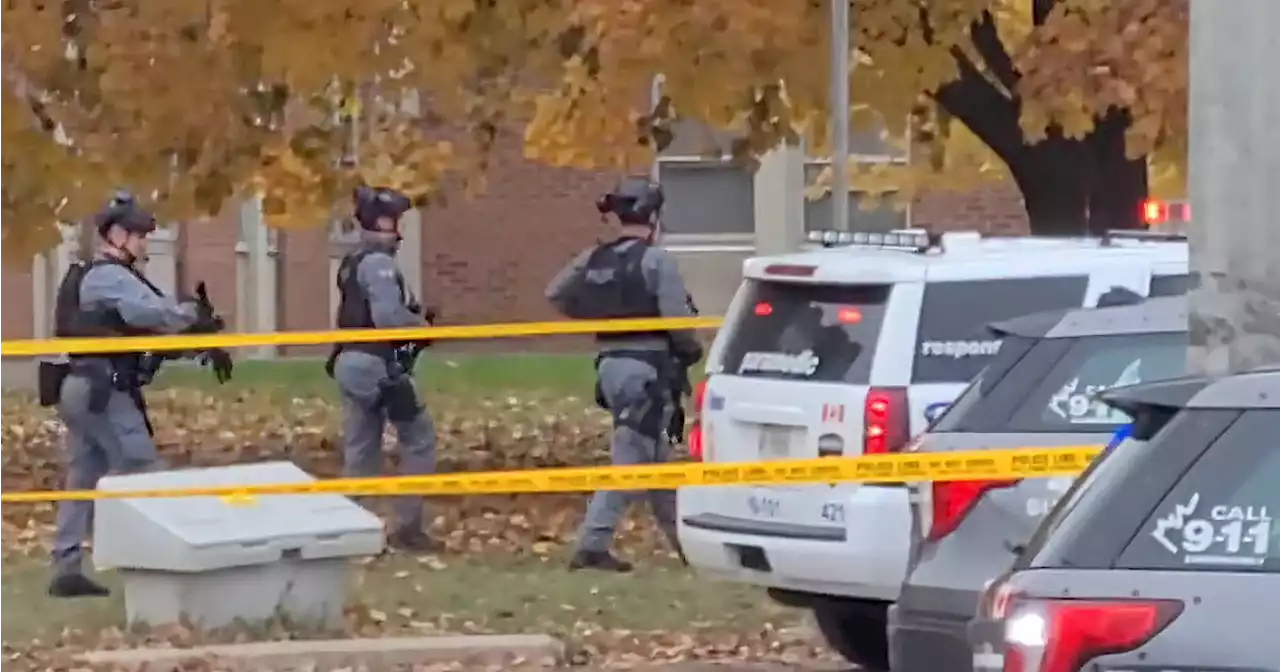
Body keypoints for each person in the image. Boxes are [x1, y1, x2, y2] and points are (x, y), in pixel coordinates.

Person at [44, 192, 228, 598]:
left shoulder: (111, 275)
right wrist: (189, 315)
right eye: (140, 235)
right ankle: (158, 564)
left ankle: (66, 566)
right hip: (100, 390)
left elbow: (140, 332)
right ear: (117, 235)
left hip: (84, 386)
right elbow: (146, 314)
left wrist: (196, 340)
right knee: (141, 467)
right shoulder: (108, 275)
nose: (146, 243)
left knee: (84, 475)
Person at [546, 175, 704, 572]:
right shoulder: (657, 260)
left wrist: (600, 314)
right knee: (631, 461)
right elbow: (678, 321)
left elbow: (556, 293)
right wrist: (689, 349)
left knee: (656, 461)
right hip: (647, 369)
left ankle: (686, 547)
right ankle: (592, 545)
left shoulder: (595, 258)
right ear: (652, 215)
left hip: (611, 366)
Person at [326, 185, 441, 552]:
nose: (400, 232)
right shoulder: (378, 263)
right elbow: (388, 317)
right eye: (395, 223)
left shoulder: (353, 261)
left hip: (349, 362)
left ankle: (347, 533)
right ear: (381, 224)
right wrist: (420, 328)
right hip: (374, 365)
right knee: (419, 438)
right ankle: (407, 528)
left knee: (361, 451)